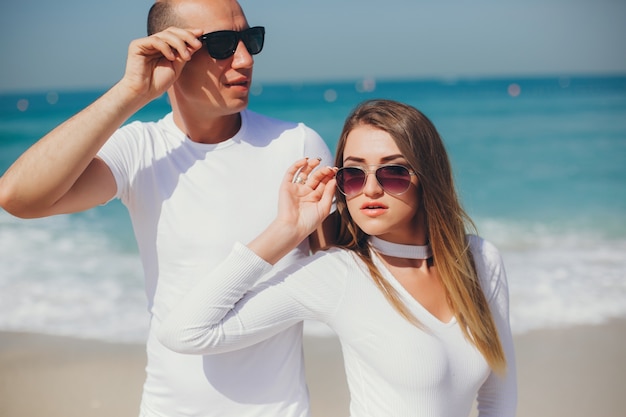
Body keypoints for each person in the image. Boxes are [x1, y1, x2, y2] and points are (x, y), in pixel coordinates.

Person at [0, 0, 333, 416]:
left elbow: (343, 281)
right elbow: (19, 197)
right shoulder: (141, 150)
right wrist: (130, 91)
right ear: (170, 52)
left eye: (250, 39)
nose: (245, 58)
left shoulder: (297, 147)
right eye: (223, 44)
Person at [158, 99, 518, 416]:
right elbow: (185, 333)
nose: (371, 189)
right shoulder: (340, 275)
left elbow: (499, 400)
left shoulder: (480, 259)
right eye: (353, 174)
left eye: (393, 172)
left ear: (427, 177)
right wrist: (286, 229)